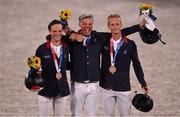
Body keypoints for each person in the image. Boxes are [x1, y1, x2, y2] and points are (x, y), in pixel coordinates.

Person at [64, 14, 146, 116]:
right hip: (77, 84)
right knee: (75, 114)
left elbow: (118, 32)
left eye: (90, 24)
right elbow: (52, 37)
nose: (87, 26)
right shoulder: (72, 39)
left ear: (93, 25)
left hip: (94, 85)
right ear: (79, 24)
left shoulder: (98, 37)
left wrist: (139, 27)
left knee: (91, 115)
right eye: (84, 24)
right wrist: (71, 34)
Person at [99, 14, 149, 116]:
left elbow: (136, 65)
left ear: (121, 25)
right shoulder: (104, 41)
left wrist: (143, 83)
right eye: (112, 24)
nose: (115, 27)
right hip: (106, 86)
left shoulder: (130, 44)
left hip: (123, 87)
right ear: (109, 26)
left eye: (117, 24)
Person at [35, 19, 70, 116]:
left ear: (63, 31)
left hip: (61, 89)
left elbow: (68, 64)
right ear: (49, 31)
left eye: (59, 31)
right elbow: (35, 69)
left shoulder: (66, 47)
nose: (57, 33)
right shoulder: (41, 49)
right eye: (54, 31)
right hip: (45, 89)